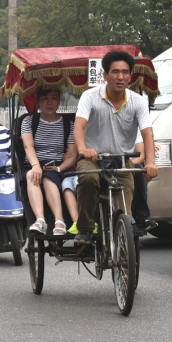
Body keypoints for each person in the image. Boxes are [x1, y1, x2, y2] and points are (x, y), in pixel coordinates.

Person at [73, 50, 158, 245]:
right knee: (87, 178)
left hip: (121, 160)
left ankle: (121, 243)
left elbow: (147, 133)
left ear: (130, 76)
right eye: (115, 72)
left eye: (125, 72)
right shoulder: (90, 96)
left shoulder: (138, 102)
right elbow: (78, 126)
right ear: (105, 76)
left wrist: (151, 162)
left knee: (124, 215)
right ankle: (85, 228)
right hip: (92, 159)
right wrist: (83, 150)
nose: (120, 77)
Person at [21, 88, 78, 236]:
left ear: (59, 101)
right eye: (45, 98)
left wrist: (59, 168)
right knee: (31, 175)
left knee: (49, 177)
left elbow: (72, 154)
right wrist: (36, 166)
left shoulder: (68, 124)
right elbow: (28, 146)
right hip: (33, 163)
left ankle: (60, 220)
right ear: (39, 102)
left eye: (54, 98)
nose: (50, 102)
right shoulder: (29, 121)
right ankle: (40, 220)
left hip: (58, 166)